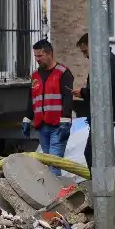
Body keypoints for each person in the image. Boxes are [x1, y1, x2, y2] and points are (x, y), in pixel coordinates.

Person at [22, 39, 74, 177]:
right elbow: (32, 98)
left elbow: (68, 98)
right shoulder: (35, 75)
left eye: (40, 56)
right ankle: (55, 188)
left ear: (49, 54)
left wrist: (66, 120)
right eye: (35, 56)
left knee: (54, 165)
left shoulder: (63, 73)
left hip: (58, 126)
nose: (37, 59)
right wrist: (27, 118)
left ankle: (55, 190)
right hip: (42, 126)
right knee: (47, 164)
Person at [73, 33, 115, 171]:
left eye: (85, 51)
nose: (85, 56)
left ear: (94, 45)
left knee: (92, 154)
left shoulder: (107, 62)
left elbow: (104, 91)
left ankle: (100, 182)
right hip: (102, 115)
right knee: (97, 155)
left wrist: (84, 92)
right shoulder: (106, 61)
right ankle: (101, 181)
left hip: (104, 117)